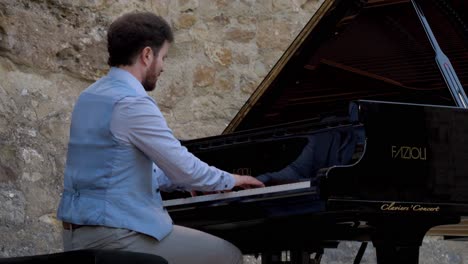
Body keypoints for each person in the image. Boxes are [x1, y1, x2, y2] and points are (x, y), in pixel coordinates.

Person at [56, 11, 264, 264]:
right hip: (117, 235)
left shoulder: (89, 96)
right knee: (228, 255)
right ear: (147, 55)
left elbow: (121, 168)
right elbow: (183, 167)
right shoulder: (133, 102)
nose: (163, 66)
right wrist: (229, 179)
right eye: (163, 57)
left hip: (76, 235)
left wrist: (185, 184)